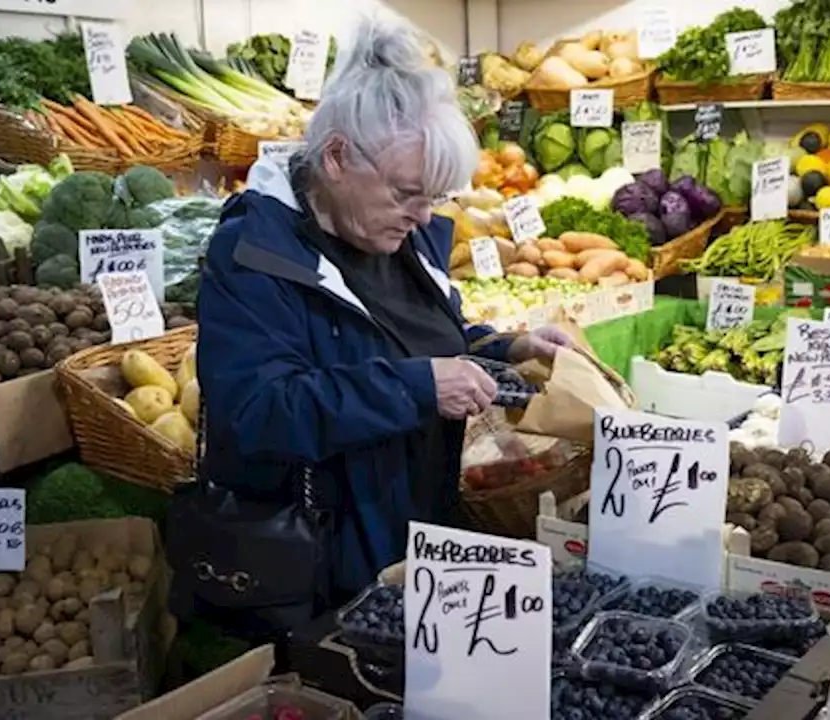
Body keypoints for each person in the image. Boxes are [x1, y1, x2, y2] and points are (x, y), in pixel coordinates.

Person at [195, 18, 572, 605]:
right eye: (406, 193)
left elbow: (413, 338)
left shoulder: (402, 238)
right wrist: (417, 389)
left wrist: (507, 348)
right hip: (323, 562)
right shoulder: (254, 254)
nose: (422, 215)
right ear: (339, 157)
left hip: (414, 535)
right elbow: (257, 411)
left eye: (432, 197)